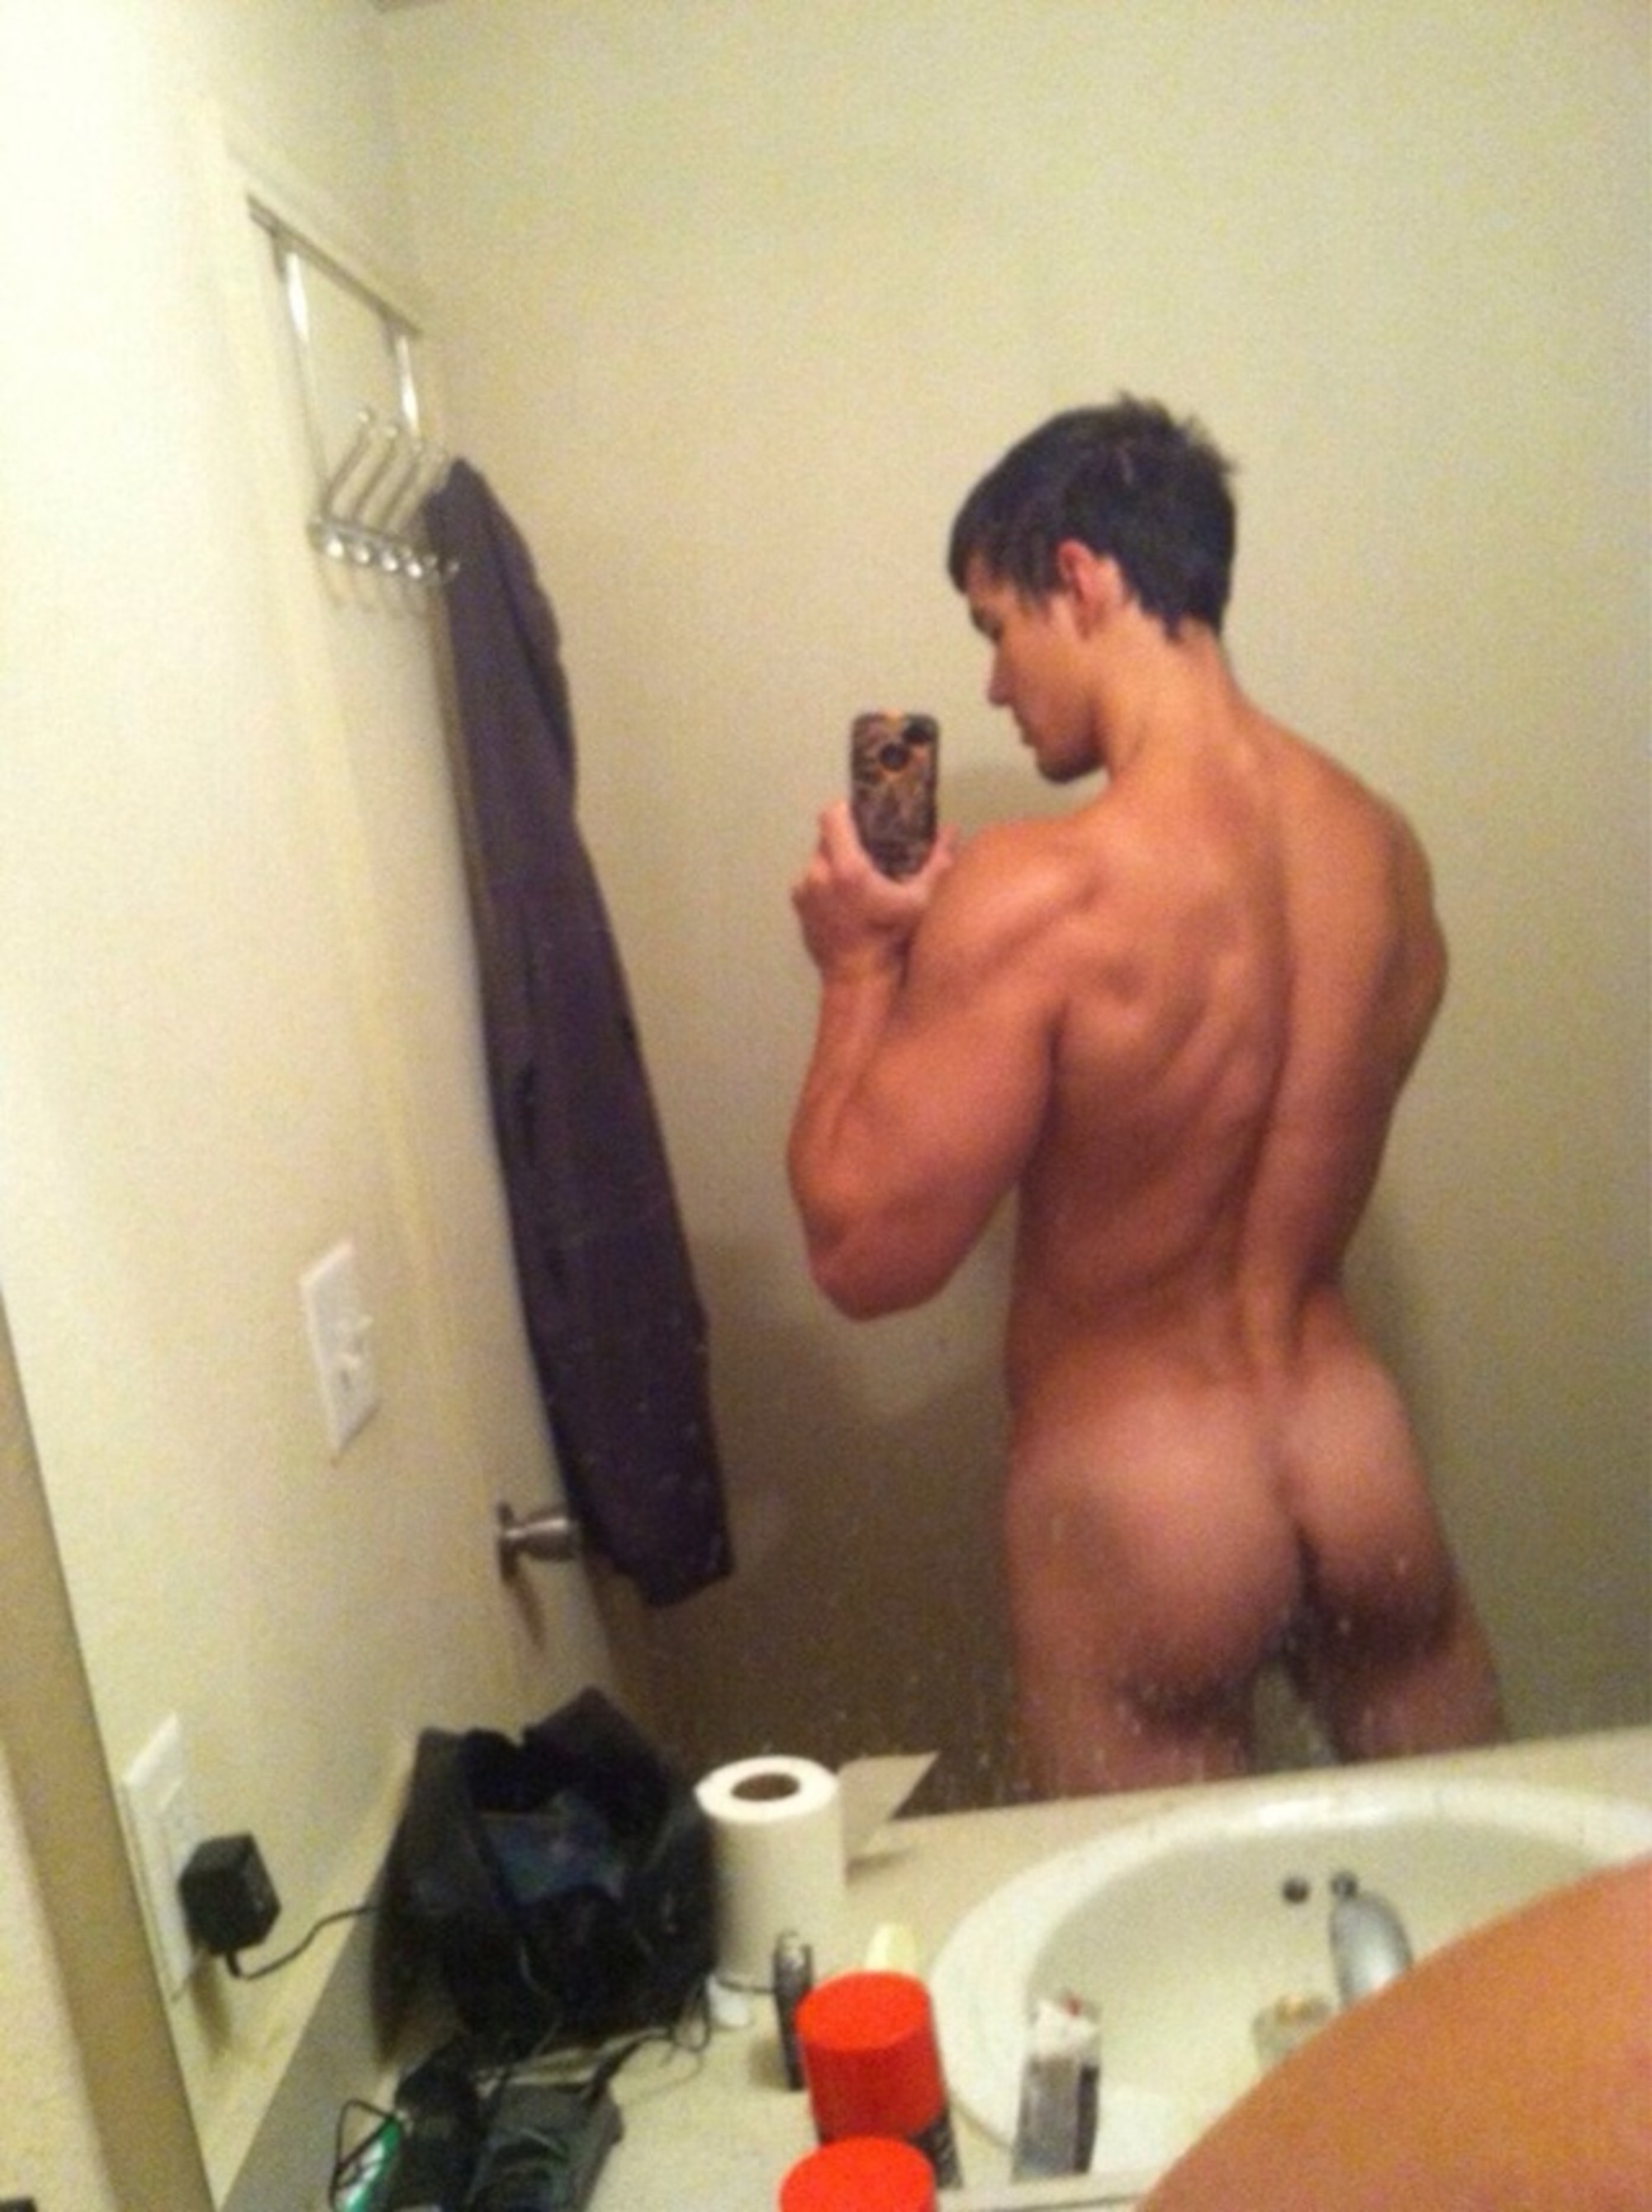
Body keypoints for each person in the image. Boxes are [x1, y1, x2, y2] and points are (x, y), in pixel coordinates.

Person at [787, 400, 1502, 1797]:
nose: (995, 684)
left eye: (997, 626)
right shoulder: (1384, 851)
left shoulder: (1046, 889)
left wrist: (858, 964)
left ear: (1082, 577)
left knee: (1148, 1926)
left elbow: (863, 1256)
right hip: (1355, 1454)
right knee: (1481, 1892)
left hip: (1144, 1499)